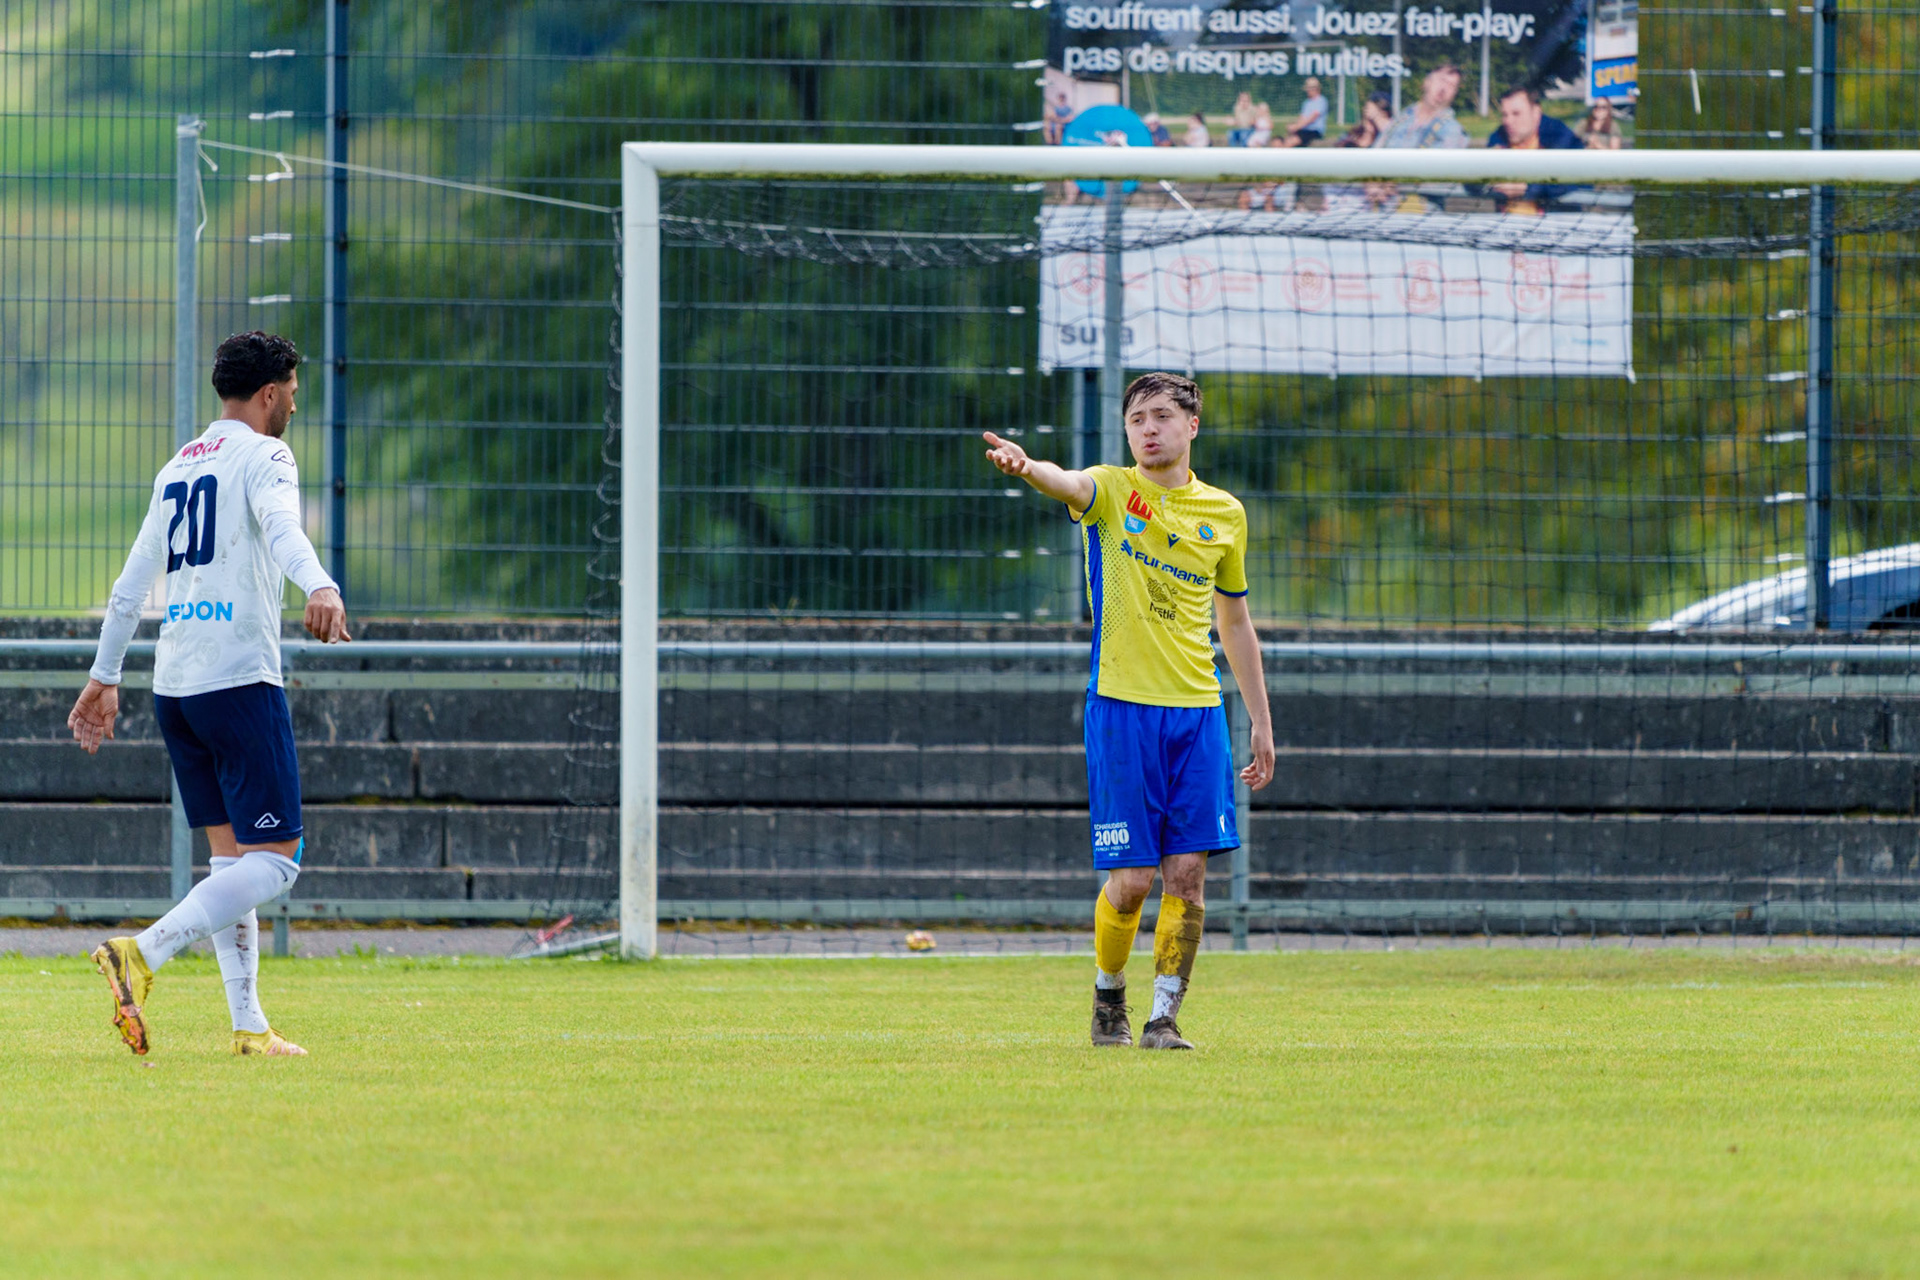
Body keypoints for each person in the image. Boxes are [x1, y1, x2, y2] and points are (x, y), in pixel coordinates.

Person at [72, 330, 350, 1058]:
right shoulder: (266, 455)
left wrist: (105, 676)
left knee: (232, 865)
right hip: (237, 680)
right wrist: (318, 583)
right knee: (279, 862)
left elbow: (131, 586)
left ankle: (249, 1025)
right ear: (267, 394)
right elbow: (285, 529)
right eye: (291, 388)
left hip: (176, 688)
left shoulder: (177, 467)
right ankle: (143, 952)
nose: (294, 400)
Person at [981, 373, 1275, 1051]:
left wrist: (1259, 719)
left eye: (1162, 416)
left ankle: (1163, 1019)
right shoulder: (1113, 491)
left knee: (1189, 874)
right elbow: (1066, 482)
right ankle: (1108, 997)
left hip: (1198, 714)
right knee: (1133, 880)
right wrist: (1027, 468)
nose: (1148, 428)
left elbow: (1236, 624)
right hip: (1120, 709)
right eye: (1136, 418)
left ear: (1191, 426)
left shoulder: (1225, 514)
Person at [1485, 84, 1584, 214]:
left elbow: (1582, 181)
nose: (1508, 121)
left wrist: (1528, 188)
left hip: (1553, 226)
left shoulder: (1560, 136)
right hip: (1505, 225)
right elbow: (1473, 182)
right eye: (1504, 115)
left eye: (1516, 113)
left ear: (1536, 112)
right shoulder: (1498, 137)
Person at [1373, 63, 1469, 150]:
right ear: (1427, 82)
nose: (1443, 88)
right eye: (1441, 80)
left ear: (1454, 93)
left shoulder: (1453, 131)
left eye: (1451, 85)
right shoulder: (1401, 119)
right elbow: (1376, 152)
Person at [1279, 78, 1328, 147]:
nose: (1307, 91)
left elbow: (1312, 118)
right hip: (1304, 130)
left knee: (1290, 142)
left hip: (1314, 131)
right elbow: (1302, 118)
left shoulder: (1321, 101)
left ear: (1316, 89)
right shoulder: (1306, 102)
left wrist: (1296, 127)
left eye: (1309, 89)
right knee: (1281, 141)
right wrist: (1293, 127)